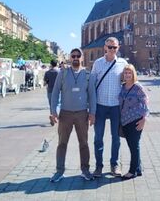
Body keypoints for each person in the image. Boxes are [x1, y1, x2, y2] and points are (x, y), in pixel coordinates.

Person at [50, 48, 96, 182]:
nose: (75, 58)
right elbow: (55, 93)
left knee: (84, 143)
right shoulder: (63, 73)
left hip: (82, 114)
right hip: (65, 114)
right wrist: (53, 111)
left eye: (78, 56)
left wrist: (92, 113)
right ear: (70, 58)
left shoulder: (88, 74)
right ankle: (59, 171)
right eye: (73, 56)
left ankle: (85, 170)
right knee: (62, 143)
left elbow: (92, 95)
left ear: (82, 58)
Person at [91, 37, 128, 178]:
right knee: (98, 137)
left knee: (116, 138)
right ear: (105, 47)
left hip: (115, 106)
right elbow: (91, 86)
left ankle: (114, 164)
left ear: (118, 48)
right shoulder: (98, 63)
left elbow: (130, 81)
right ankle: (98, 166)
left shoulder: (122, 63)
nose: (112, 50)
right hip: (100, 106)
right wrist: (91, 108)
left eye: (115, 47)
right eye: (109, 47)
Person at [119, 64, 149, 180]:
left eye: (129, 73)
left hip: (135, 121)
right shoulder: (122, 87)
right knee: (133, 146)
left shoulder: (138, 87)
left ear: (133, 74)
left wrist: (144, 119)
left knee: (134, 146)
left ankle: (132, 171)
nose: (127, 75)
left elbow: (145, 102)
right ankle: (138, 169)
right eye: (125, 73)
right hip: (125, 121)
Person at [43, 59, 59, 126]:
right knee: (57, 104)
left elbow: (45, 83)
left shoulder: (47, 72)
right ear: (56, 64)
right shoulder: (59, 72)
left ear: (51, 64)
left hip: (50, 90)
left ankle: (52, 116)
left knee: (51, 105)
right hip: (58, 91)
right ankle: (55, 117)